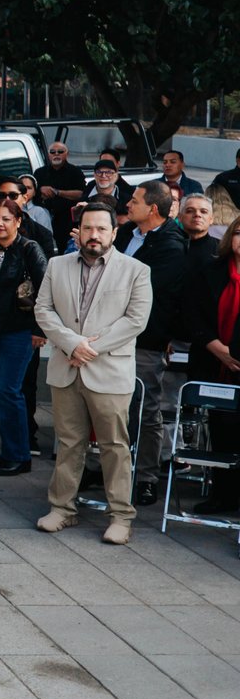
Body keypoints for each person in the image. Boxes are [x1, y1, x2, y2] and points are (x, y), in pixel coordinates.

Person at [33, 202, 153, 544]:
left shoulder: (136, 270)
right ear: (79, 232)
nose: (94, 235)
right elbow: (43, 309)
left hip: (109, 371)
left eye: (101, 229)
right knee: (69, 442)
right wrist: (72, 344)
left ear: (114, 232)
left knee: (115, 445)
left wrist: (89, 348)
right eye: (88, 228)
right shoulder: (57, 265)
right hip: (67, 367)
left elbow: (136, 320)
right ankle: (62, 508)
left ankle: (120, 516)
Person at [115, 181, 188, 506]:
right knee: (108, 408)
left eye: (134, 200)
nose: (128, 205)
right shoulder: (127, 234)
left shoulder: (171, 245)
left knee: (146, 410)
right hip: (112, 336)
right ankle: (99, 468)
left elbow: (143, 288)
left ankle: (146, 476)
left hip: (146, 340)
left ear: (153, 209)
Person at [0, 199, 49, 476]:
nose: (0, 224)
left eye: (6, 219)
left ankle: (19, 455)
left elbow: (46, 290)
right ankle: (8, 451)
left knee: (8, 390)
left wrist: (39, 330)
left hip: (18, 331)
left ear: (18, 221)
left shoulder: (29, 249)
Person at [181, 214, 240, 514]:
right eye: (239, 232)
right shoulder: (211, 270)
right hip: (212, 361)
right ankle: (223, 496)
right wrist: (219, 350)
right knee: (220, 430)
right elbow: (193, 314)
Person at [33, 141, 87, 233]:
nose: (56, 154)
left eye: (60, 151)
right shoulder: (39, 172)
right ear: (48, 155)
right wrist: (40, 190)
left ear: (67, 154)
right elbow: (31, 191)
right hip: (42, 218)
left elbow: (81, 194)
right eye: (52, 152)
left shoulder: (75, 172)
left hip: (68, 221)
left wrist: (57, 192)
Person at [181, 194, 221, 264]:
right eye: (190, 211)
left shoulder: (222, 249)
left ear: (211, 219)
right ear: (180, 217)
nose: (197, 214)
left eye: (203, 211)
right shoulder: (168, 246)